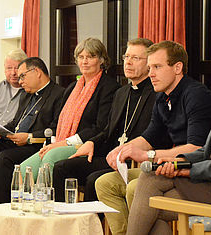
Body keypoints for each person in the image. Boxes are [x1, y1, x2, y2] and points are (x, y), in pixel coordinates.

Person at [126, 37, 211, 235]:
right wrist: (177, 161)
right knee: (150, 181)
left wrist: (190, 170)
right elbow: (207, 151)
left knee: (149, 204)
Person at [95, 40, 211, 234]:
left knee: (136, 188)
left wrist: (147, 156)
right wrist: (122, 149)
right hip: (171, 168)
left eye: (157, 67)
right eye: (150, 67)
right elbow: (150, 137)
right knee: (105, 184)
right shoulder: (163, 96)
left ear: (177, 67)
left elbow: (196, 148)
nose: (151, 74)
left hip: (194, 171)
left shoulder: (196, 95)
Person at [53, 38, 156, 206]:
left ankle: (91, 227)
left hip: (134, 159)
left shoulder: (155, 93)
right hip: (110, 155)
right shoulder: (123, 92)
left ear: (150, 63)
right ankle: (65, 221)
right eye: (126, 57)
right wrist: (92, 142)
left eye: (136, 58)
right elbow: (108, 129)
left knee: (94, 179)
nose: (128, 63)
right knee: (62, 167)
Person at [19, 37, 120, 193]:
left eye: (90, 57)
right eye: (81, 57)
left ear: (101, 60)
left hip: (89, 145)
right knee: (24, 170)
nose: (85, 61)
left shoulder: (109, 87)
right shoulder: (72, 88)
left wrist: (63, 143)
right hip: (62, 142)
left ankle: (49, 208)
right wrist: (53, 143)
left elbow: (100, 128)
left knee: (50, 159)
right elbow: (59, 122)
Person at [0, 57, 65, 204]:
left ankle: (2, 208)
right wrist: (0, 131)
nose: (20, 81)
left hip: (37, 146)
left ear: (37, 72)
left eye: (22, 76)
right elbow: (16, 122)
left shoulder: (59, 94)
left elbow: (56, 129)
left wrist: (29, 137)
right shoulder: (25, 95)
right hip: (15, 143)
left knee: (5, 158)